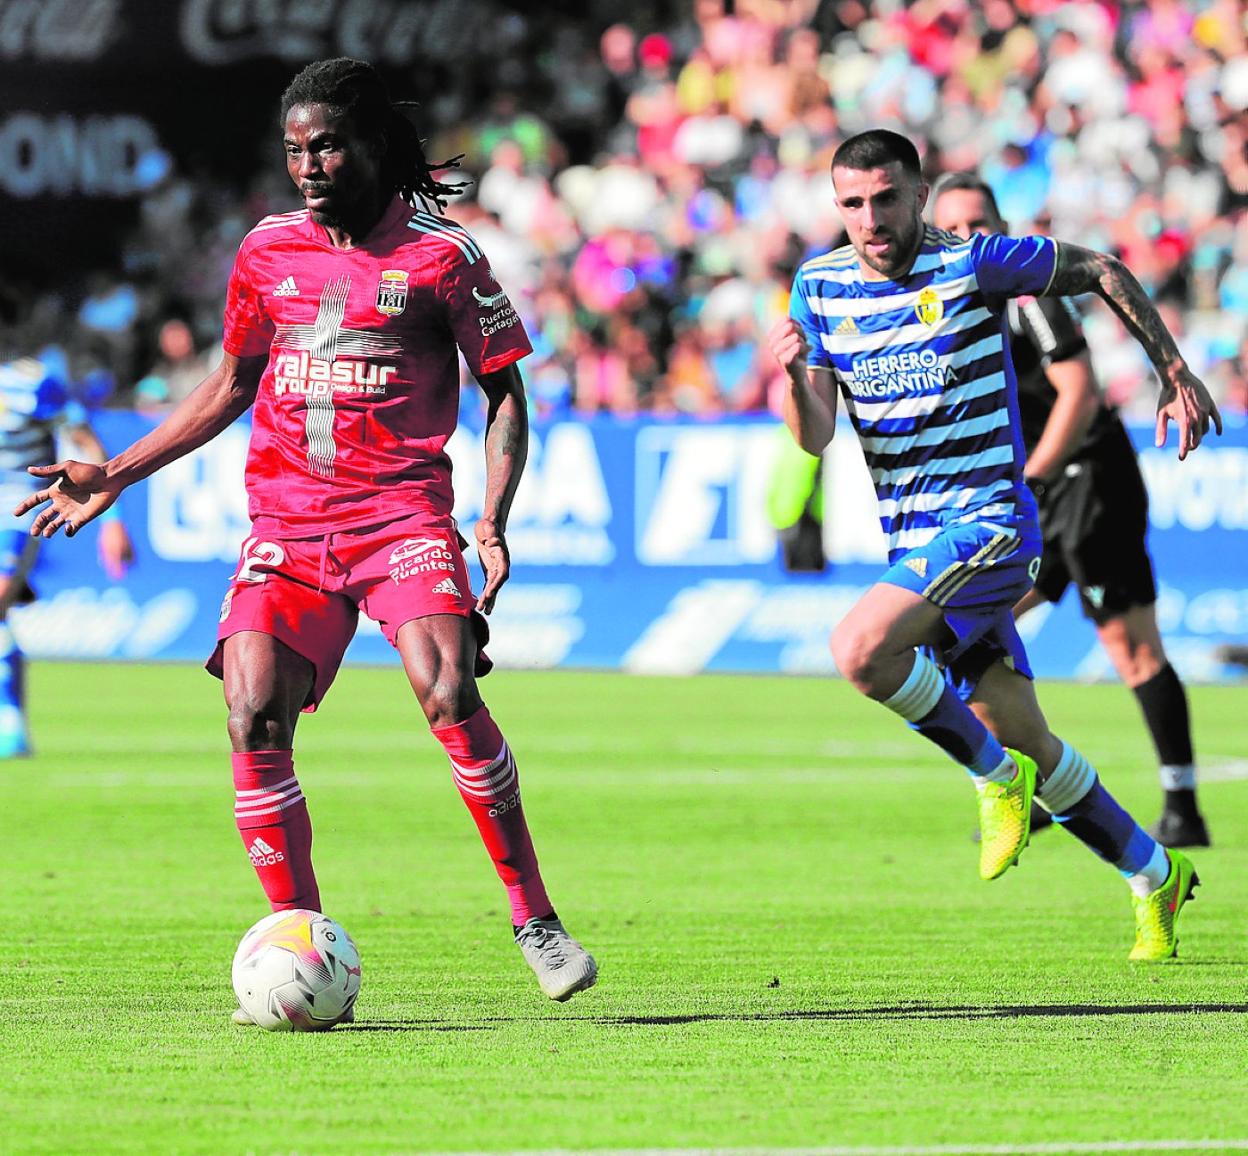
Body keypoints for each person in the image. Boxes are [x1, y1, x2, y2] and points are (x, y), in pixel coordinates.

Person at [16, 58, 597, 1014]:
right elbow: (228, 387)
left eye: (326, 143)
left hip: (402, 513)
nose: (310, 164)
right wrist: (115, 473)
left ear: (371, 144)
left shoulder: (442, 257)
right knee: (250, 711)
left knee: (449, 689)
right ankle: (299, 940)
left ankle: (533, 917)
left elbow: (504, 393)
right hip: (290, 521)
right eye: (295, 148)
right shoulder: (265, 252)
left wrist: (490, 518)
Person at [768, 129, 1221, 961]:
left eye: (886, 199)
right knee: (1028, 736)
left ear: (917, 197)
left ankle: (989, 777)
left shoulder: (972, 263)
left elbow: (1105, 271)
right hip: (916, 540)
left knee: (860, 650)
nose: (871, 219)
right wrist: (793, 379)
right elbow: (815, 435)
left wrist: (1174, 371)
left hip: (991, 527)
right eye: (853, 204)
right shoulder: (817, 286)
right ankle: (1152, 871)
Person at [930, 173, 1210, 850]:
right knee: (966, 633)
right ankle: (1024, 784)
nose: (971, 239)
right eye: (956, 229)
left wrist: (1022, 483)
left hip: (1088, 480)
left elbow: (1078, 392)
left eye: (982, 225)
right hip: (1043, 493)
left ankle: (1182, 805)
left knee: (1130, 646)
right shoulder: (950, 308)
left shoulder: (1026, 295)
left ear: (1005, 228)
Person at [0, 328, 134, 758]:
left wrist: (112, 521)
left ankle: (9, 722)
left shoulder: (34, 381)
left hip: (18, 511)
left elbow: (84, 443)